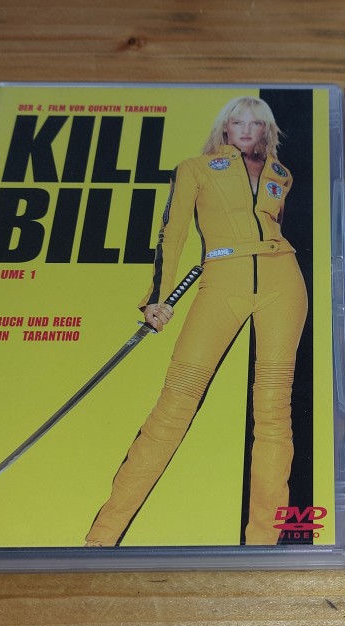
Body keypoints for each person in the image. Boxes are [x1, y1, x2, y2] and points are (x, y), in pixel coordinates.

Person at [85, 96, 308, 546]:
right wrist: (156, 298)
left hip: (283, 281)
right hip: (222, 279)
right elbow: (174, 232)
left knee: (274, 412)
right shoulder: (195, 168)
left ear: (265, 130)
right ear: (225, 127)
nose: (246, 129)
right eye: (237, 121)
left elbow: (275, 226)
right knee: (175, 403)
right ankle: (101, 537)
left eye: (256, 123)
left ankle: (264, 544)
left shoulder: (280, 175)